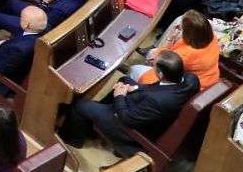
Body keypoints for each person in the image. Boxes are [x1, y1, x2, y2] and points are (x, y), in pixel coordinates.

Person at [61, 52, 200, 157]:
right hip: (146, 108)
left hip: (129, 129)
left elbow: (127, 119)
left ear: (161, 74)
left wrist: (120, 96)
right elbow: (157, 88)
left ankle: (72, 139)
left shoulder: (158, 101)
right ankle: (94, 119)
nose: (151, 63)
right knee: (125, 79)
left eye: (154, 64)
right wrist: (134, 88)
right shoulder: (190, 80)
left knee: (79, 105)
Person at [133, 10, 220, 89]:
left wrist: (170, 38)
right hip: (210, 77)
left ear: (188, 34)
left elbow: (160, 60)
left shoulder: (185, 55)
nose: (179, 26)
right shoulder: (211, 37)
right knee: (152, 53)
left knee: (136, 68)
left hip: (192, 85)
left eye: (182, 27)